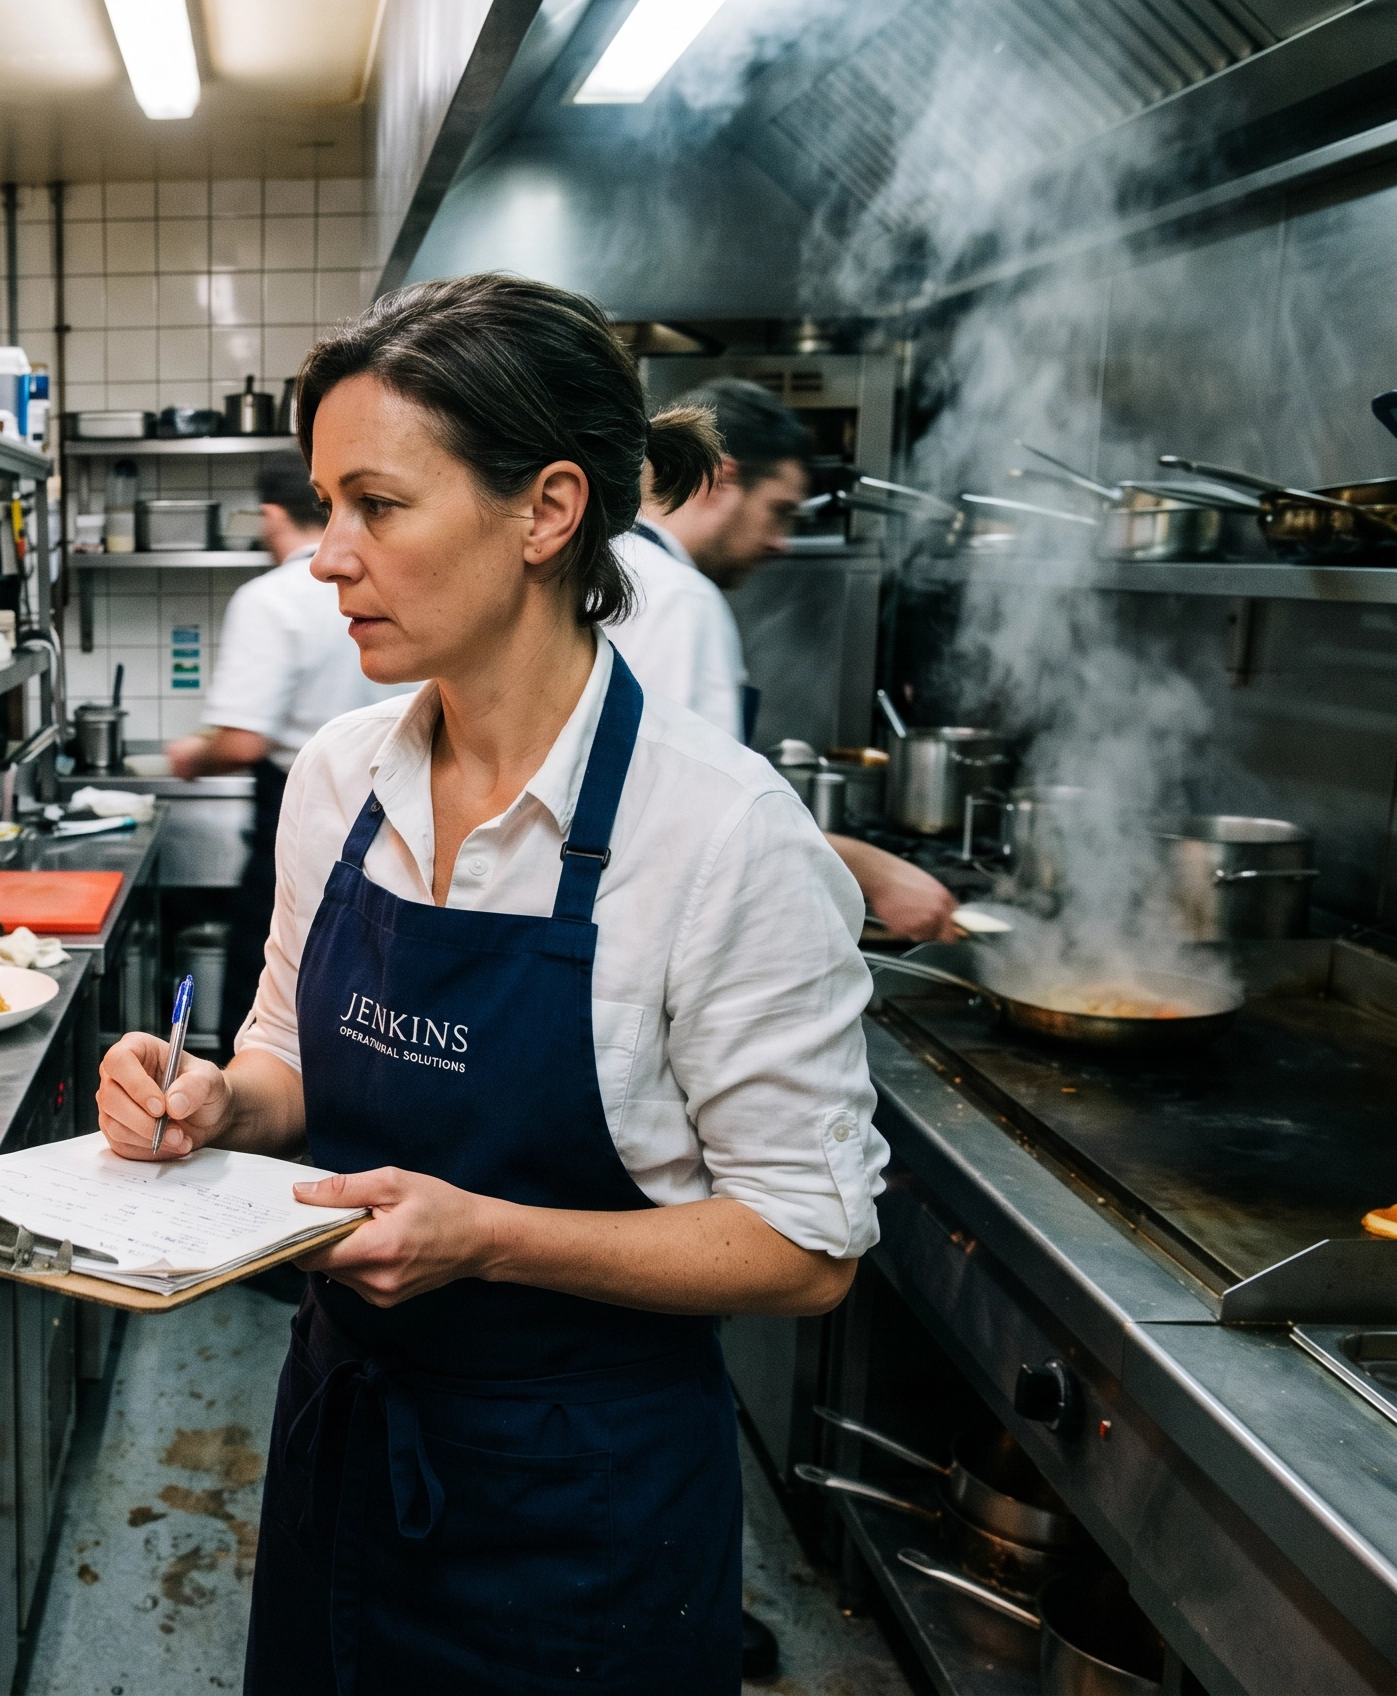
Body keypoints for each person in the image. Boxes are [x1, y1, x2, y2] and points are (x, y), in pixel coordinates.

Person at [95, 275, 884, 1694]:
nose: (329, 557)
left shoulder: (718, 830)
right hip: (345, 1444)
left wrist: (494, 1238)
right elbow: (286, 1048)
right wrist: (216, 1101)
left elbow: (809, 1246)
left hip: (582, 1509)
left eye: (377, 506)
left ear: (546, 511)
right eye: (326, 504)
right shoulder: (341, 775)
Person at [608, 377, 961, 942]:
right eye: (779, 511)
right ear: (720, 479)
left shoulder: (606, 566)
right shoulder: (677, 600)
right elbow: (706, 825)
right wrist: (875, 872)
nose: (783, 541)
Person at [168, 461, 414, 1035]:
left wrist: (191, 755)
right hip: (403, 806)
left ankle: (247, 1114)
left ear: (273, 515)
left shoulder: (270, 598)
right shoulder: (390, 587)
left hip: (299, 813)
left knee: (266, 1008)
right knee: (370, 1004)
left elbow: (242, 742)